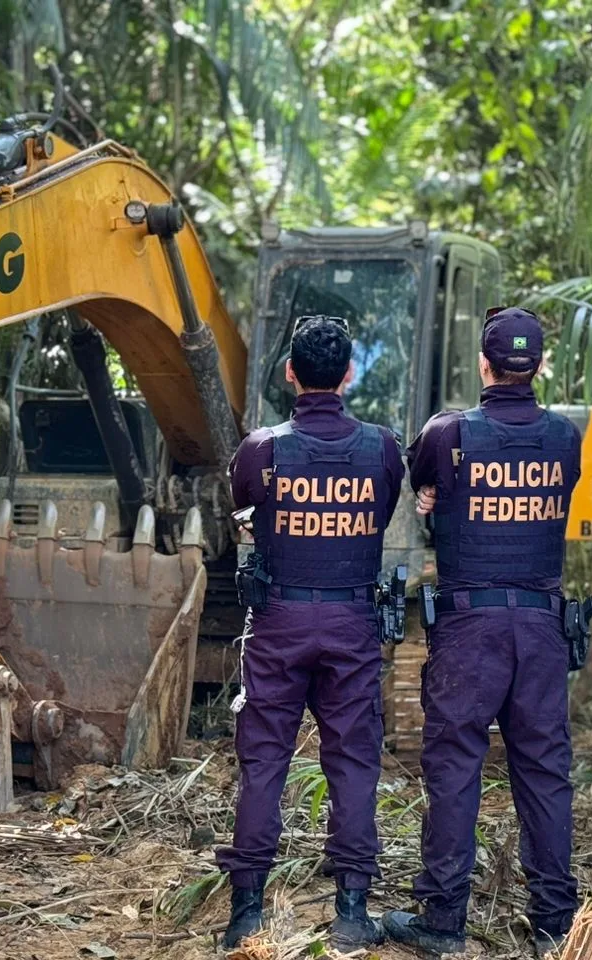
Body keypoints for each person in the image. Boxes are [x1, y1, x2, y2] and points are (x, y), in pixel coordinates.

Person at [381, 306, 583, 958]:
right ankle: (556, 924)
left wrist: (441, 496)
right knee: (545, 773)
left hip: (471, 630)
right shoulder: (562, 437)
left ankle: (443, 923)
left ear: (484, 365)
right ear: (541, 366)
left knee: (454, 769)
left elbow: (423, 483)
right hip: (543, 627)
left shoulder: (449, 432)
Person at [216, 315, 405, 950]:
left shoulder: (261, 449)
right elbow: (378, 513)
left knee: (264, 760)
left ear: (290, 373)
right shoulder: (381, 449)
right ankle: (352, 911)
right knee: (353, 761)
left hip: (278, 623)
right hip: (351, 622)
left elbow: (243, 507)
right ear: (349, 374)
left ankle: (246, 913)